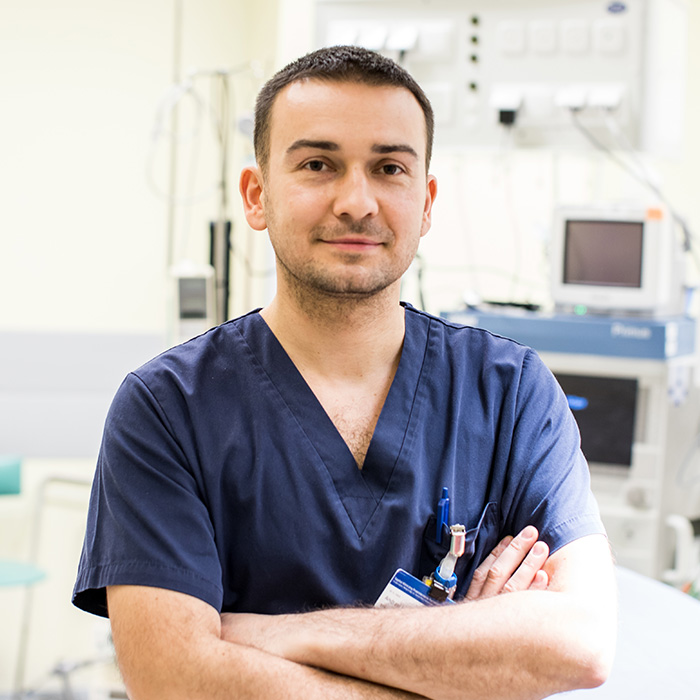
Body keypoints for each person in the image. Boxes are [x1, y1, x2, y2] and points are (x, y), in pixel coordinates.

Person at [72, 45, 616, 699]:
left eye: (389, 168)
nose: (356, 202)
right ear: (257, 195)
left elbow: (579, 644)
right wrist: (466, 656)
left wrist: (280, 637)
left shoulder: (510, 394)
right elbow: (175, 677)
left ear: (426, 201)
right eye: (318, 164)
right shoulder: (167, 410)